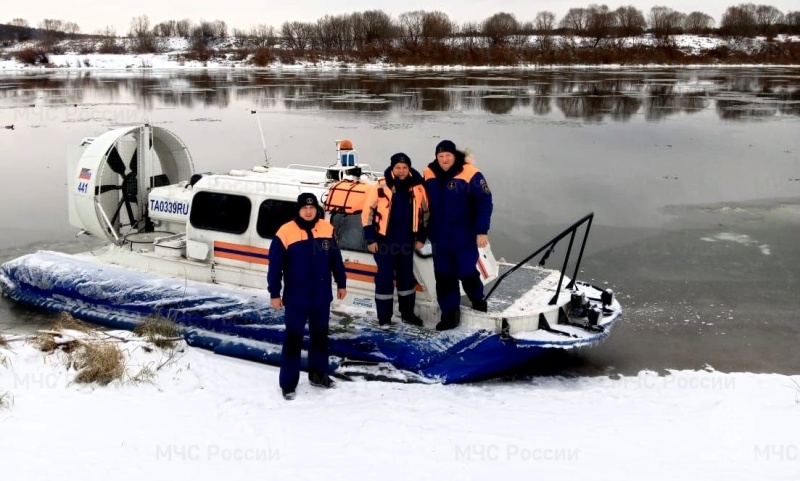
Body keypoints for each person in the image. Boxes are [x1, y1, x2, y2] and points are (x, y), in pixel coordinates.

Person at [268, 192, 347, 400]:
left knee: (320, 338)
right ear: (299, 209)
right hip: (296, 297)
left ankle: (319, 376)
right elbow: (275, 267)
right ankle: (288, 384)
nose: (309, 211)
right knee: (293, 340)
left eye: (312, 208)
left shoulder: (327, 228)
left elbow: (335, 259)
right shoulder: (285, 232)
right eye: (305, 208)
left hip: (321, 296)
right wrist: (274, 293)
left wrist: (341, 282)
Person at [423, 140, 493, 331]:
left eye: (448, 155)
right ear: (436, 157)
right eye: (440, 156)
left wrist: (481, 231)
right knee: (444, 277)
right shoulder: (428, 173)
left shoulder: (471, 173)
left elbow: (484, 203)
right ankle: (450, 316)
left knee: (466, 270)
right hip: (439, 235)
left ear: (455, 156)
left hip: (464, 234)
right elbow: (417, 197)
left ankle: (478, 299)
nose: (444, 159)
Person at [361, 152, 429, 327]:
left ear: (409, 168)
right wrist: (370, 240)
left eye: (404, 167)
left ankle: (407, 314)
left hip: (406, 241)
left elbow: (426, 214)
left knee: (407, 279)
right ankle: (384, 318)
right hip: (384, 242)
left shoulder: (418, 187)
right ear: (392, 168)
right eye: (397, 167)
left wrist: (421, 237)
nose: (401, 171)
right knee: (384, 280)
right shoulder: (380, 186)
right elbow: (367, 214)